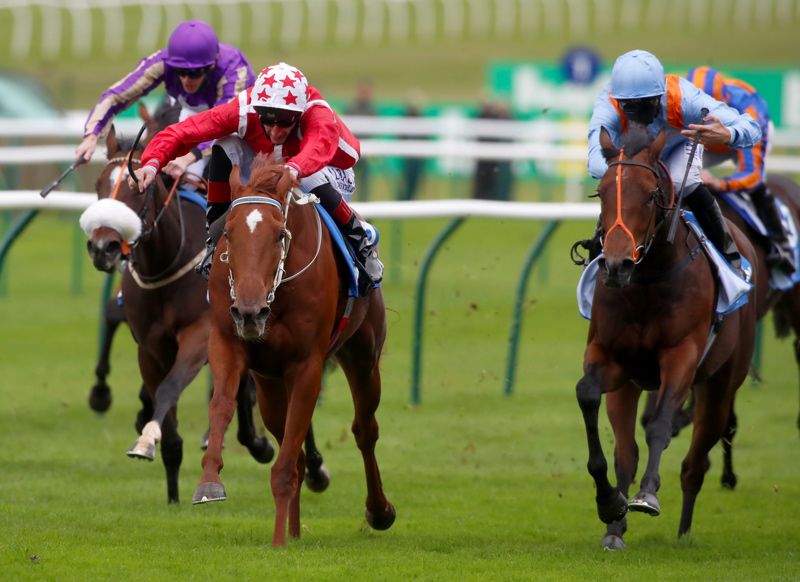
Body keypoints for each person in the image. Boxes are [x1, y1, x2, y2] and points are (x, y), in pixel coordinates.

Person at [128, 62, 383, 290]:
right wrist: (151, 163)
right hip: (278, 161)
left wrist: (292, 170)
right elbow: (185, 131)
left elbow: (317, 148)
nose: (275, 130)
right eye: (267, 119)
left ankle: (359, 237)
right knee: (224, 144)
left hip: (331, 168)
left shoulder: (317, 113)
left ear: (300, 112)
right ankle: (213, 239)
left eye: (285, 121)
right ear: (256, 109)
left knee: (307, 175)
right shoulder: (243, 108)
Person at [581, 49, 762, 273]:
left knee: (683, 183)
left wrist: (729, 135)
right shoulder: (607, 104)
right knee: (620, 190)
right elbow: (595, 161)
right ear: (617, 99)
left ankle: (730, 257)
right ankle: (594, 266)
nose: (637, 112)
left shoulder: (684, 97)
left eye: (646, 103)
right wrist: (628, 176)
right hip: (628, 160)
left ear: (661, 94)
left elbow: (752, 128)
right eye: (628, 106)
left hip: (678, 147)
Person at [76, 20, 254, 182]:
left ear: (213, 64)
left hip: (240, 123)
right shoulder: (162, 61)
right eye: (180, 72)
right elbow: (116, 95)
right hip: (194, 114)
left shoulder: (235, 71)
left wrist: (190, 156)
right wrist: (91, 135)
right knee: (172, 174)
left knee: (222, 169)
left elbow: (224, 123)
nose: (186, 80)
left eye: (194, 73)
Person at [687, 66, 794, 273]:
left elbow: (751, 176)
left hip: (741, 134)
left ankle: (781, 244)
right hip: (708, 139)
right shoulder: (681, 99)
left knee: (754, 188)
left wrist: (719, 183)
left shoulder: (749, 114)